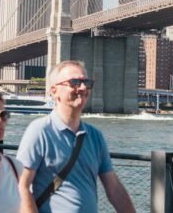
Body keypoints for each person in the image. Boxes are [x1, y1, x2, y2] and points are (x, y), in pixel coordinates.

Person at [17, 60, 136, 213]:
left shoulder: (95, 136)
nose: (83, 87)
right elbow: (22, 186)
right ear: (54, 91)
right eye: (74, 83)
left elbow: (114, 189)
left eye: (86, 82)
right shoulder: (39, 131)